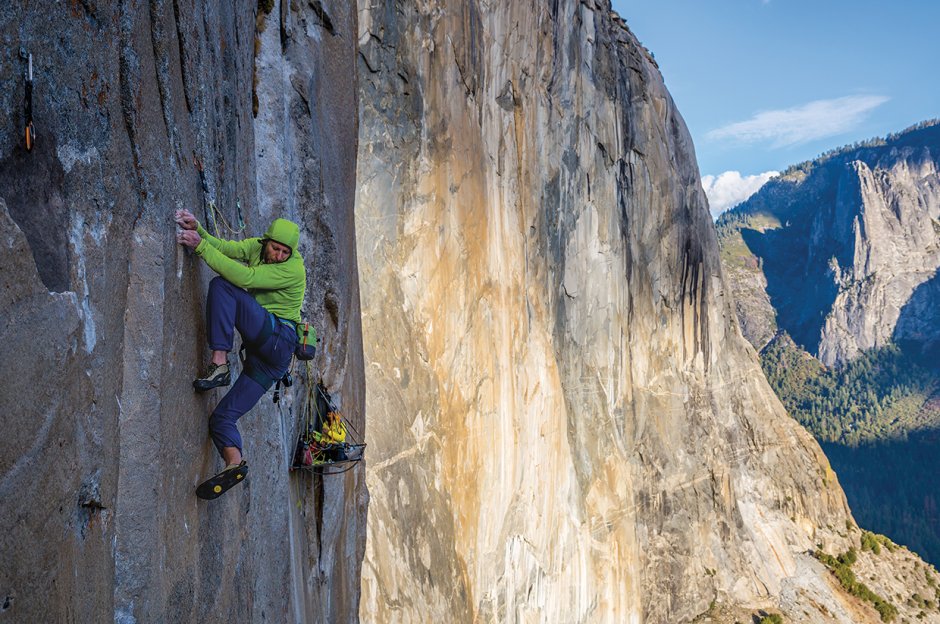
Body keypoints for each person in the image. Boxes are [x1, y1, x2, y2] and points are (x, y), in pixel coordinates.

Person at [175, 209, 305, 491]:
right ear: (266, 241)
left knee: (224, 286)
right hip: (269, 362)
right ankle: (234, 462)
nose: (279, 255)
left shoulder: (292, 269)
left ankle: (219, 362)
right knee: (223, 418)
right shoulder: (256, 246)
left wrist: (200, 248)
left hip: (278, 338)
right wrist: (201, 231)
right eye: (275, 248)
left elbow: (245, 279)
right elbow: (227, 248)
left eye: (285, 251)